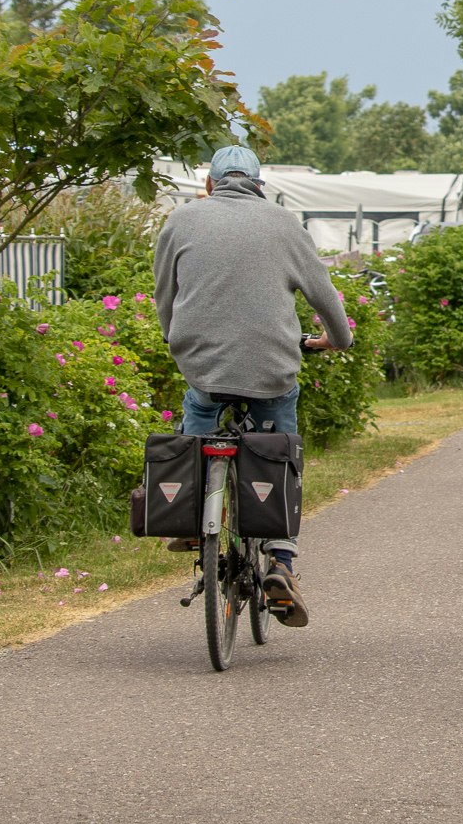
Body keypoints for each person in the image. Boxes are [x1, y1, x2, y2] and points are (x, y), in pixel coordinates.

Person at [152, 144, 355, 625]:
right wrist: (338, 340)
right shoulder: (285, 224)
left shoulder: (180, 221)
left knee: (198, 417)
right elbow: (322, 291)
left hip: (202, 366)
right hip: (270, 369)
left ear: (209, 185)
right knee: (278, 450)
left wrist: (177, 343)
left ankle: (188, 510)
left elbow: (165, 295)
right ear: (260, 186)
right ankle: (281, 562)